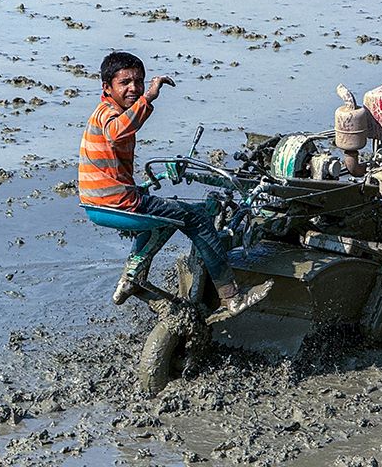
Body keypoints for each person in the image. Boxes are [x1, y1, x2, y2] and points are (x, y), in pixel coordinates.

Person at [79, 51, 271, 318]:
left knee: (161, 215)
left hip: (95, 205)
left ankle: (130, 279)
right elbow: (116, 132)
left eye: (139, 81)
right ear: (107, 87)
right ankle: (232, 296)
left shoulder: (101, 113)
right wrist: (149, 98)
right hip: (116, 204)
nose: (134, 88)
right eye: (125, 82)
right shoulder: (109, 115)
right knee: (197, 220)